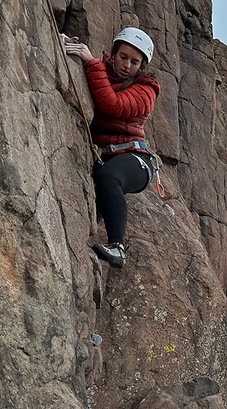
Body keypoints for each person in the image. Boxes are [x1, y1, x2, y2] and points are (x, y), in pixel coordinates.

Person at [63, 27, 161, 268]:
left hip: (136, 160)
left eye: (135, 62)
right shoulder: (103, 72)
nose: (127, 65)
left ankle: (118, 247)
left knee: (107, 175)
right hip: (108, 158)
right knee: (101, 182)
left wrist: (91, 62)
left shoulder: (146, 90)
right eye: (123, 57)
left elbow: (112, 105)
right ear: (114, 53)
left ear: (141, 67)